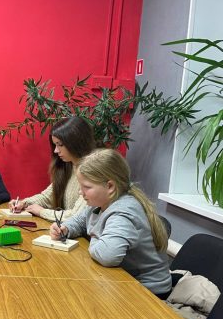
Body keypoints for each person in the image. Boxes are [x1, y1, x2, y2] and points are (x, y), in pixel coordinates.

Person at [51, 149, 171, 297]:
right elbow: (80, 221)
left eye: (86, 187)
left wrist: (94, 236)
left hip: (149, 291)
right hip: (124, 279)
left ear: (110, 187)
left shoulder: (124, 212)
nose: (81, 192)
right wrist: (65, 228)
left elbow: (108, 256)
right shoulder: (100, 202)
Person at [10, 117, 95, 221]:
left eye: (60, 145)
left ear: (76, 142)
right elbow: (47, 197)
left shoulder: (93, 172)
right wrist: (24, 203)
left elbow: (77, 216)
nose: (56, 150)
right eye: (55, 145)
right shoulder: (68, 166)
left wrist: (42, 212)